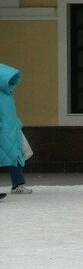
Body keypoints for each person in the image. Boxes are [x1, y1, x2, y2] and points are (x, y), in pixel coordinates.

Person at [0, 62, 31, 197]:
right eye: (9, 79)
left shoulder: (7, 92)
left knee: (16, 156)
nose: (11, 82)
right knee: (14, 155)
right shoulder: (5, 93)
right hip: (5, 128)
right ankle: (17, 184)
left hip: (10, 128)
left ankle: (18, 184)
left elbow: (10, 112)